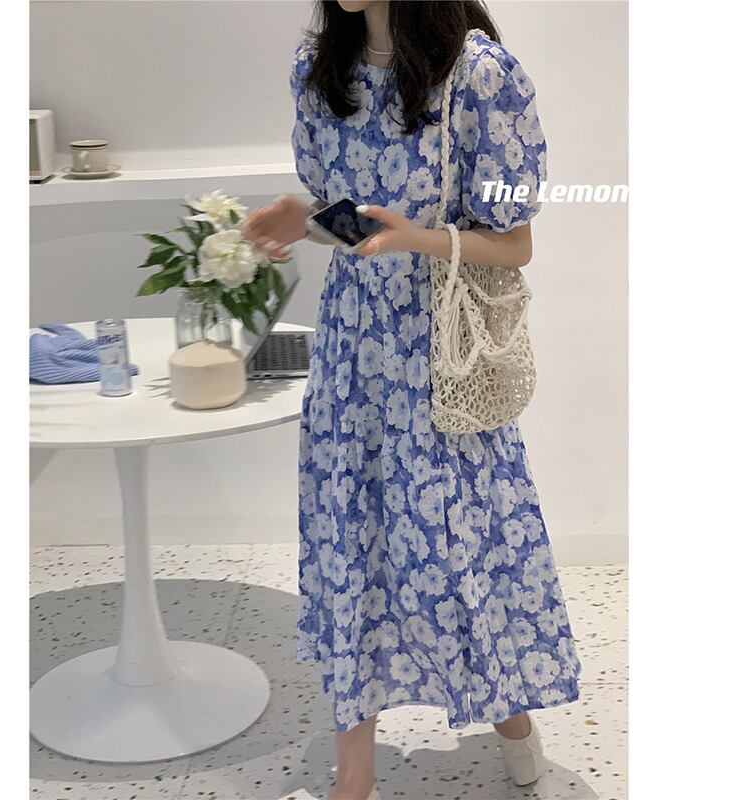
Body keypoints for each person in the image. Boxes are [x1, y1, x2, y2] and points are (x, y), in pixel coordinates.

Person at [242, 2, 582, 798]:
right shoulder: (319, 71)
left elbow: (516, 243)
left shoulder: (478, 74)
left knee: (461, 544)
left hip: (440, 356)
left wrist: (417, 237)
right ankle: (354, 772)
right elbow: (355, 227)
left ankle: (511, 717)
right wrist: (306, 219)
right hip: (352, 356)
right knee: (351, 540)